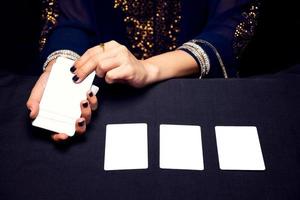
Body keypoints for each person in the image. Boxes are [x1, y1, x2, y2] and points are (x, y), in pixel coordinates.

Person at [27, 0, 260, 141]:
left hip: (193, 90)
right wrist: (61, 67)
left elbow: (232, 23)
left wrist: (148, 68)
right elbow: (70, 15)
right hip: (107, 92)